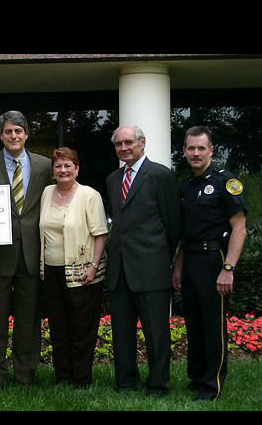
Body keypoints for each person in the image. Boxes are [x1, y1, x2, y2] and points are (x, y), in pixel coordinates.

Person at [0, 110, 52, 387]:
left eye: (18, 131)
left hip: (31, 253)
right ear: (1, 135)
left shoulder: (45, 165)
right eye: (8, 131)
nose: (13, 136)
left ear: (26, 134)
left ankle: (25, 374)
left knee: (28, 319)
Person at [172, 126, 247, 401]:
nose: (196, 153)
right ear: (184, 151)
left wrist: (228, 269)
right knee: (194, 323)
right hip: (191, 259)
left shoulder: (226, 181)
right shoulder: (186, 186)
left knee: (213, 324)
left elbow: (239, 228)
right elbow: (186, 233)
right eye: (191, 148)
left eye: (201, 148)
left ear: (211, 151)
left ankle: (212, 384)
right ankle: (197, 377)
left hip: (214, 259)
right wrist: (178, 265)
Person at [106, 124, 181, 397]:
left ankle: (158, 383)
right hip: (119, 269)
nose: (124, 148)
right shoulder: (113, 179)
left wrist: (160, 257)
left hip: (151, 268)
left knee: (156, 332)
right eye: (119, 144)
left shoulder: (161, 175)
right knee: (121, 331)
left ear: (142, 142)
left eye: (129, 142)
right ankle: (126, 381)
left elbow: (173, 224)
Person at [39, 147, 108, 388]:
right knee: (58, 326)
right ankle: (63, 376)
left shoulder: (89, 195)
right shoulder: (47, 192)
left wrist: (94, 266)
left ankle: (82, 379)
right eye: (58, 166)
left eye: (68, 165)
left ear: (77, 169)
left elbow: (100, 234)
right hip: (51, 271)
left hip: (82, 271)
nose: (63, 170)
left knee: (82, 327)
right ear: (53, 171)